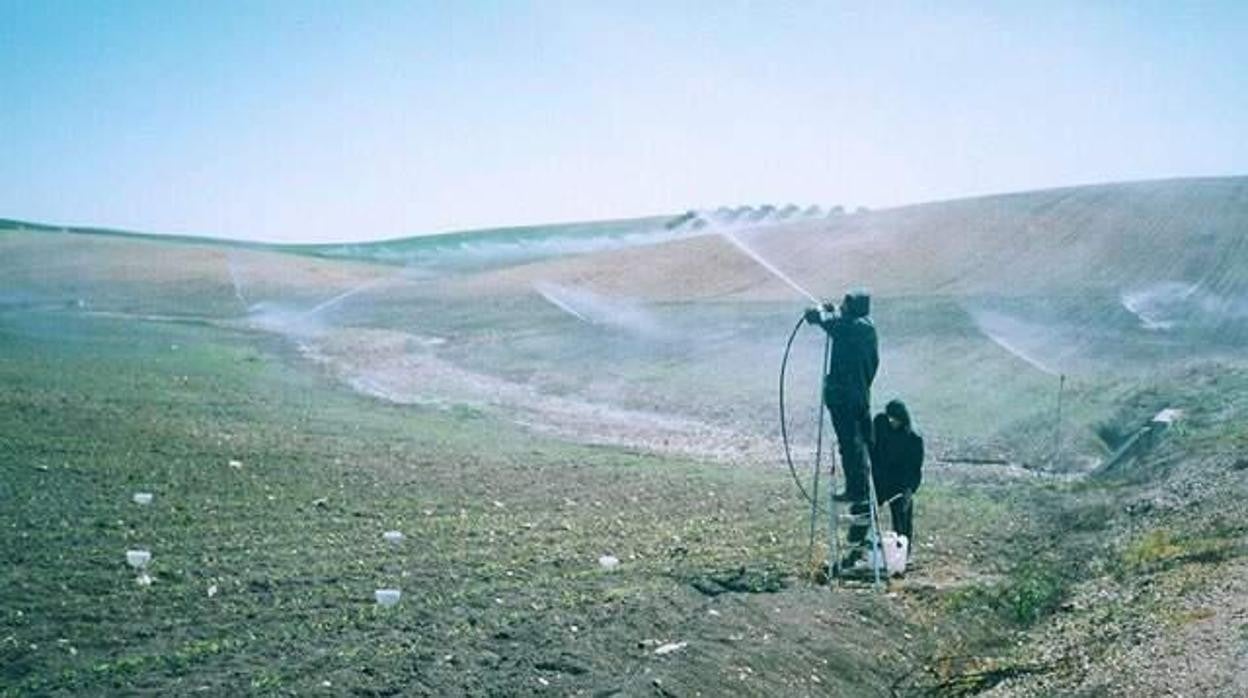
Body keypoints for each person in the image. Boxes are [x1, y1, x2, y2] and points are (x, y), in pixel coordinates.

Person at [804, 291, 880, 569]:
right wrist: (831, 310)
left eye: (847, 304)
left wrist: (819, 315)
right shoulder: (864, 327)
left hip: (847, 398)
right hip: (857, 396)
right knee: (854, 444)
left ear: (855, 308)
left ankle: (857, 491)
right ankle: (858, 490)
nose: (844, 308)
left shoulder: (855, 328)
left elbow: (831, 323)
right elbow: (839, 322)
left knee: (851, 445)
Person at [870, 399, 924, 549]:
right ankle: (866, 549)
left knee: (902, 520)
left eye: (895, 418)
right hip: (879, 480)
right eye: (890, 418)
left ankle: (902, 554)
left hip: (900, 483)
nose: (892, 421)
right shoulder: (881, 426)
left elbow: (914, 469)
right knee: (867, 514)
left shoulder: (913, 439)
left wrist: (909, 491)